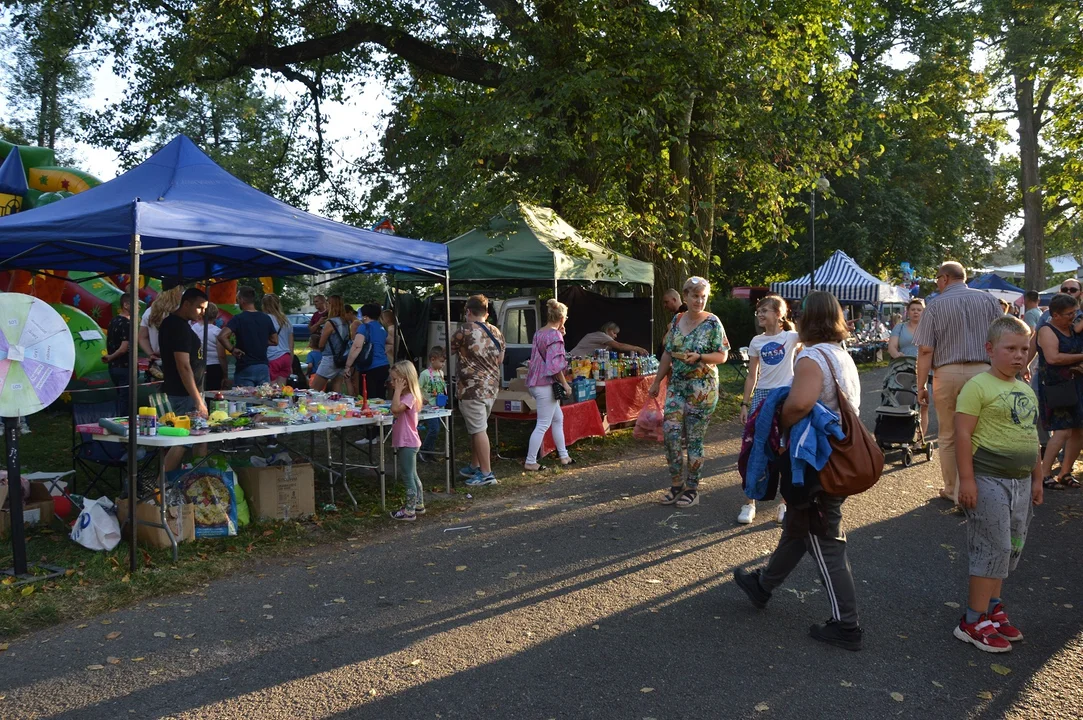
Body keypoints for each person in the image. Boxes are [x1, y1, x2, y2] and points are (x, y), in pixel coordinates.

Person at [733, 291, 865, 652]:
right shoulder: (840, 354)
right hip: (835, 456)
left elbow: (800, 403)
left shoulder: (811, 357)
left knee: (824, 539)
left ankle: (847, 624)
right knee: (797, 525)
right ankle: (763, 586)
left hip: (816, 463)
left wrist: (780, 422)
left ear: (808, 320)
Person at [953, 316, 1042, 652]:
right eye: (1010, 349)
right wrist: (968, 480)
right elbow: (962, 433)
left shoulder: (1024, 388)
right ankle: (972, 620)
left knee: (1011, 547)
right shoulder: (979, 386)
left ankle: (993, 608)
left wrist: (1038, 477)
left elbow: (1030, 434)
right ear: (990, 349)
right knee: (993, 547)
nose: (1019, 356)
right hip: (988, 478)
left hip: (1020, 483)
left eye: (1024, 349)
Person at [915, 262, 1004, 503]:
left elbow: (925, 351)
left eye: (936, 279)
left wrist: (921, 385)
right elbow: (1003, 338)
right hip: (984, 372)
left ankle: (953, 490)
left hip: (947, 373)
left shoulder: (934, 306)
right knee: (983, 431)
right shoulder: (988, 301)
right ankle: (985, 487)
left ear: (944, 278)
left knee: (948, 434)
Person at [649, 276, 730, 508]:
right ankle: (676, 484)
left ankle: (692, 489)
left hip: (702, 388)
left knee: (694, 439)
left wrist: (701, 357)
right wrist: (657, 382)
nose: (699, 300)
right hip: (677, 386)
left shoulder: (713, 322)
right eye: (695, 296)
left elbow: (722, 355)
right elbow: (667, 354)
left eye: (703, 296)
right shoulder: (676, 320)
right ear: (685, 296)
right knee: (671, 434)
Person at [737, 294, 799, 524]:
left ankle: (784, 503)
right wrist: (745, 403)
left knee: (784, 449)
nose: (760, 315)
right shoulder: (756, 341)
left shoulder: (792, 337)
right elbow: (752, 375)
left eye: (765, 310)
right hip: (762, 397)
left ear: (779, 314)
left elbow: (815, 338)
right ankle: (749, 502)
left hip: (786, 397)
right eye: (759, 311)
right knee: (756, 447)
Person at [451, 294, 505, 487]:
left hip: (471, 389)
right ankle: (475, 465)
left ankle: (486, 474)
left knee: (479, 430)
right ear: (487, 314)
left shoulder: (464, 330)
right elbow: (500, 359)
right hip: (491, 388)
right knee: (478, 428)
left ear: (468, 311)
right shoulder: (496, 332)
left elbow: (448, 349)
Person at [1035, 293, 1083, 489]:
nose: (1073, 316)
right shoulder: (1047, 330)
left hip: (1076, 385)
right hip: (1057, 387)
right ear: (1055, 315)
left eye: (1075, 312)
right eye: (1068, 314)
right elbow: (1053, 358)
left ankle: (1065, 472)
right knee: (1062, 431)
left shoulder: (1074, 329)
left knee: (1079, 430)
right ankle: (1044, 474)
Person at [159, 288, 209, 472]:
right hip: (183, 394)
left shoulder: (177, 324)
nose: (203, 313)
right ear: (186, 303)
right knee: (182, 441)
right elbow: (183, 366)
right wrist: (197, 400)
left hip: (187, 393)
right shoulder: (177, 326)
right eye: (199, 308)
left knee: (200, 438)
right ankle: (159, 488)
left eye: (205, 309)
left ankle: (197, 480)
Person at [524, 299, 574, 471]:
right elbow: (555, 366)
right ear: (561, 317)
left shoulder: (540, 333)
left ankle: (564, 456)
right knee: (543, 423)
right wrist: (565, 385)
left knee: (557, 418)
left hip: (534, 381)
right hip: (545, 384)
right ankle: (530, 461)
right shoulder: (555, 335)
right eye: (566, 317)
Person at [217, 285, 277, 387]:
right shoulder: (266, 318)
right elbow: (275, 340)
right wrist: (260, 341)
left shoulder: (238, 319)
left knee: (244, 400)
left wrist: (232, 349)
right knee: (263, 400)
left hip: (245, 366)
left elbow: (222, 336)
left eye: (238, 299)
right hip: (263, 366)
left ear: (242, 300)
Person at [388, 361, 426, 521]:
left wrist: (397, 391)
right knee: (413, 474)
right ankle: (419, 503)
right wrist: (397, 391)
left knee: (407, 476)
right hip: (407, 441)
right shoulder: (406, 396)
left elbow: (395, 409)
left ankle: (409, 511)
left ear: (404, 380)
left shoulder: (409, 397)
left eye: (394, 380)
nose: (391, 382)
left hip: (408, 442)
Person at [889, 298, 931, 435]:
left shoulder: (929, 329)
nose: (916, 312)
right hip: (903, 368)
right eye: (913, 309)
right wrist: (897, 355)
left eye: (919, 310)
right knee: (902, 401)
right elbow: (892, 347)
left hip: (924, 370)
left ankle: (920, 438)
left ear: (924, 312)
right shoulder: (899, 327)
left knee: (923, 405)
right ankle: (902, 433)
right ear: (908, 312)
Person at [345, 303, 391, 399]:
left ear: (365, 316)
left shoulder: (364, 327)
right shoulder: (381, 328)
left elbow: (357, 347)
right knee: (381, 396)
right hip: (383, 365)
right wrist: (382, 352)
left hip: (369, 367)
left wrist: (348, 365)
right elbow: (391, 342)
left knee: (368, 397)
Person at [139, 285, 182, 377]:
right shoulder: (179, 312)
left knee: (160, 390)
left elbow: (142, 337)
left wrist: (150, 353)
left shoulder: (149, 312)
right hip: (177, 361)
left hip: (157, 363)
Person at [310, 295, 350, 392]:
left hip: (330, 358)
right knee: (336, 390)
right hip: (342, 358)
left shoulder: (330, 323)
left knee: (313, 390)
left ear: (331, 305)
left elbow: (321, 344)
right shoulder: (345, 322)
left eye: (328, 303)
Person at [104, 293, 133, 414]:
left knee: (121, 398)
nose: (138, 307)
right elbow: (123, 348)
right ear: (125, 305)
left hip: (113, 368)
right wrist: (111, 357)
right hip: (125, 367)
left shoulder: (113, 321)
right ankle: (125, 427)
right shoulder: (127, 323)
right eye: (135, 304)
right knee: (126, 402)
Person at [418, 346, 447, 461]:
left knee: (435, 430)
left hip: (439, 406)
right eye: (441, 361)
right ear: (432, 359)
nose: (443, 364)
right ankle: (424, 450)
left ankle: (429, 452)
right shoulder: (425, 374)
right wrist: (421, 398)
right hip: (429, 407)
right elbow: (418, 387)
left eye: (444, 362)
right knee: (434, 429)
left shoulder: (441, 373)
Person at [262, 293, 294, 384]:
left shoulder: (266, 319)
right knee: (281, 391)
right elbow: (291, 345)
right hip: (286, 357)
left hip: (272, 357)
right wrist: (290, 363)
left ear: (264, 305)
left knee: (272, 392)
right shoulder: (286, 321)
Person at [191, 302, 223, 391]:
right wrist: (225, 374)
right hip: (214, 366)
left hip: (197, 365)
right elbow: (221, 355)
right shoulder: (217, 332)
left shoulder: (193, 328)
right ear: (216, 316)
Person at [569, 321, 649, 357]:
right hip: (573, 361)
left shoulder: (605, 343)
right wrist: (637, 348)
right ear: (608, 330)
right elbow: (619, 346)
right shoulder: (601, 335)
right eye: (614, 333)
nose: (616, 336)